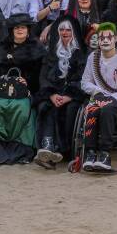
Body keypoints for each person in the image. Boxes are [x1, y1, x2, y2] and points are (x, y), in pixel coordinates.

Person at [0, 14, 45, 166]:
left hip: (25, 93)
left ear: (28, 30)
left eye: (23, 27)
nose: (20, 30)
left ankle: (20, 148)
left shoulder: (37, 49)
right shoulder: (1, 47)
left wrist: (27, 81)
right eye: (16, 27)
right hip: (1, 91)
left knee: (22, 109)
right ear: (11, 30)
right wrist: (0, 78)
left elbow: (40, 76)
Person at [79, 22, 117, 171]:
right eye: (102, 38)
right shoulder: (93, 57)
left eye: (109, 37)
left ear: (115, 39)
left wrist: (115, 97)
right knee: (92, 109)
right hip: (100, 97)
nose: (105, 40)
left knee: (107, 109)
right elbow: (85, 82)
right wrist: (98, 92)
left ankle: (105, 153)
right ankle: (90, 152)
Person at [34, 15, 89, 168]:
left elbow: (84, 78)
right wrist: (51, 94)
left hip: (73, 96)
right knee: (45, 106)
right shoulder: (50, 53)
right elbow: (43, 77)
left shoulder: (83, 53)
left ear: (74, 32)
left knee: (70, 109)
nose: (65, 33)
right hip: (54, 93)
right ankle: (47, 145)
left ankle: (62, 149)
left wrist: (70, 96)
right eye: (62, 29)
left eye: (68, 30)